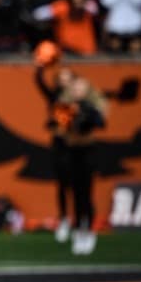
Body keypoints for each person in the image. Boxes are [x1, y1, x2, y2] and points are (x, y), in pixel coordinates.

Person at [53, 77, 107, 255]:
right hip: (72, 150)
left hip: (88, 150)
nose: (77, 92)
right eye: (75, 89)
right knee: (75, 192)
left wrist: (86, 111)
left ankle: (89, 230)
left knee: (87, 192)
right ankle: (77, 230)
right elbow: (63, 126)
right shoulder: (64, 104)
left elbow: (100, 123)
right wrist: (74, 114)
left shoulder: (93, 104)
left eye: (81, 89)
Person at [33, 41, 75, 242]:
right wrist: (41, 65)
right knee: (61, 183)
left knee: (78, 185)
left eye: (68, 78)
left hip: (76, 145)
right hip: (60, 145)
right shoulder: (55, 97)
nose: (64, 81)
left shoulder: (78, 98)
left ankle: (80, 220)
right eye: (62, 78)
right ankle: (64, 219)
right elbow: (39, 81)